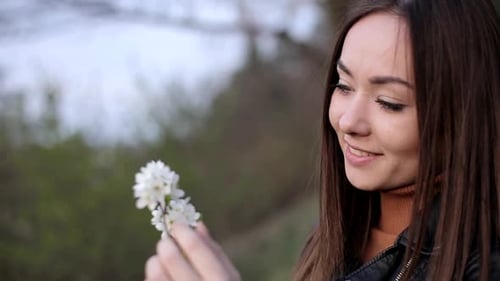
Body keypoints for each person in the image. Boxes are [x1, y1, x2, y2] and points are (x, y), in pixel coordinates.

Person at [143, 0, 500, 280]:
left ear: (464, 115)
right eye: (343, 86)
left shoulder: (483, 262)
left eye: (389, 103)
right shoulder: (327, 239)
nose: (347, 122)